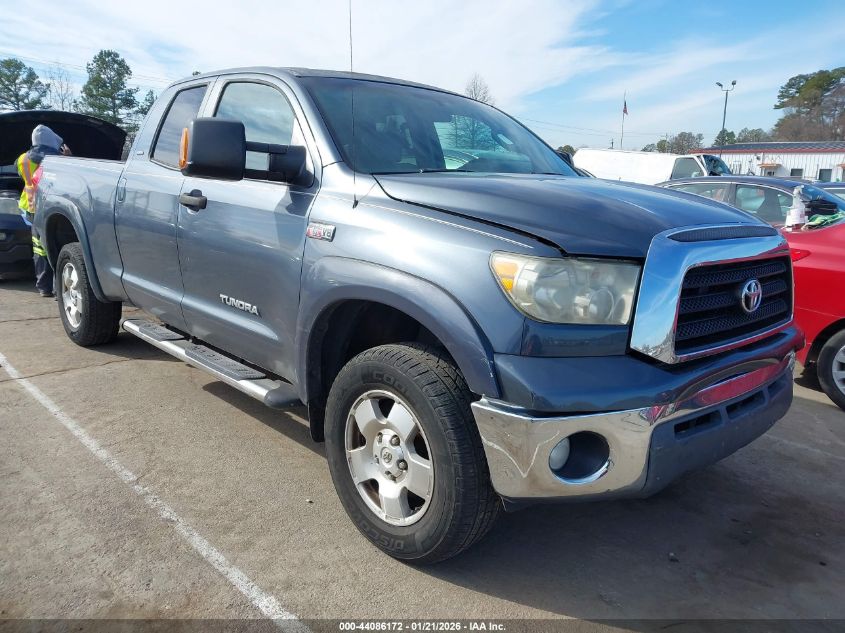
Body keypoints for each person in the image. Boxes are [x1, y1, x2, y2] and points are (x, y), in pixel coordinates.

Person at [16, 125, 71, 297]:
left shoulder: (22, 158)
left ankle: (43, 287)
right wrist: (68, 158)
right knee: (57, 247)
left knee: (39, 249)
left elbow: (23, 176)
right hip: (49, 208)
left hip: (30, 207)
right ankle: (58, 289)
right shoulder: (56, 160)